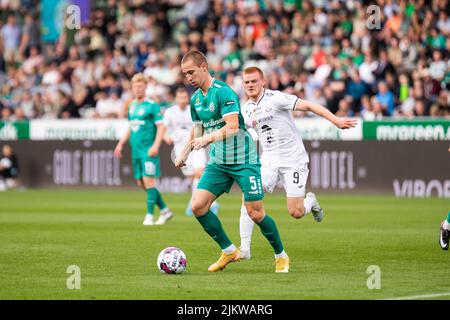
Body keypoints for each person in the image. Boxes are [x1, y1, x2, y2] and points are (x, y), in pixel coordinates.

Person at [176, 50, 290, 273]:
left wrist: (208, 138)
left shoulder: (223, 92)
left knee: (255, 212)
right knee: (198, 206)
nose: (188, 77)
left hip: (244, 160)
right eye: (184, 74)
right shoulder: (196, 99)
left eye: (191, 72)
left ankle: (281, 255)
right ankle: (229, 250)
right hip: (219, 162)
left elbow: (233, 127)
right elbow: (197, 128)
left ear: (203, 67)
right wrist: (185, 151)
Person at [239, 66, 357, 259]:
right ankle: (244, 249)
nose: (250, 85)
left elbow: (309, 105)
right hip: (268, 159)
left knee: (296, 211)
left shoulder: (276, 98)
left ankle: (310, 201)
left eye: (254, 81)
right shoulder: (245, 111)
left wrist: (335, 120)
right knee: (249, 197)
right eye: (247, 82)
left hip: (293, 159)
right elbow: (235, 131)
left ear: (263, 82)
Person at [114, 73, 173, 226]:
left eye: (140, 86)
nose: (138, 89)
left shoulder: (152, 106)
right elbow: (131, 127)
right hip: (136, 151)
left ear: (145, 87)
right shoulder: (132, 105)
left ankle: (149, 216)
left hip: (148, 150)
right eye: (135, 86)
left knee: (149, 181)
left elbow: (161, 127)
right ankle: (165, 210)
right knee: (142, 183)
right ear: (132, 88)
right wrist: (120, 143)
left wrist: (155, 146)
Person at [163, 87, 220, 216]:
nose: (183, 100)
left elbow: (201, 125)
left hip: (195, 145)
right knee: (192, 176)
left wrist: (202, 140)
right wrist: (165, 136)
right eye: (180, 97)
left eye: (185, 97)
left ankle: (209, 204)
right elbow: (163, 129)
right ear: (176, 98)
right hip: (180, 148)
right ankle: (194, 201)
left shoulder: (193, 109)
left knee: (199, 172)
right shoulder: (170, 112)